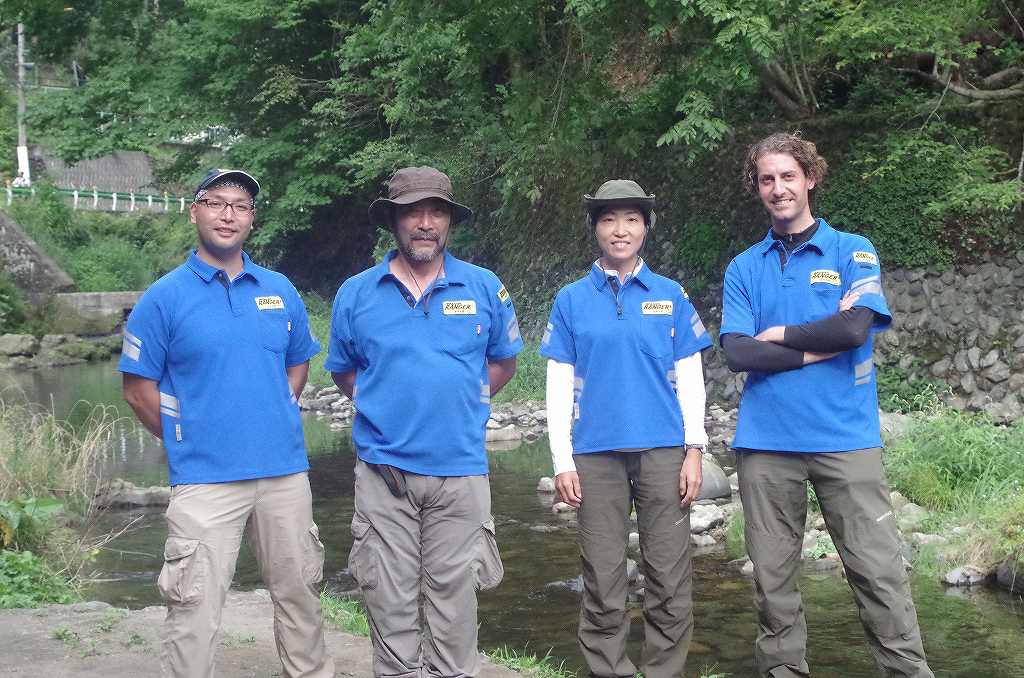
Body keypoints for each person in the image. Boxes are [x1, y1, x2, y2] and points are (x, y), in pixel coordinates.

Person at [720, 132, 934, 678]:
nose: (778, 188)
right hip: (766, 444)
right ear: (757, 188)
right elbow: (739, 352)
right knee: (773, 584)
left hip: (846, 438)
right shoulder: (744, 266)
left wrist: (784, 335)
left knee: (879, 574)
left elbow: (856, 325)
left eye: (788, 176)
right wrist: (818, 349)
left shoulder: (851, 249)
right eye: (767, 179)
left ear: (810, 178)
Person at [119, 169, 335, 678]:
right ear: (194, 211)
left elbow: (298, 359)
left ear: (252, 220)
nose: (227, 214)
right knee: (193, 605)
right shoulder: (164, 298)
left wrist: (278, 405)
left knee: (300, 593)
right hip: (205, 479)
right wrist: (189, 437)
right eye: (215, 203)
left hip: (284, 474)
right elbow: (137, 388)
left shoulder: (280, 290)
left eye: (240, 206)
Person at [326, 166, 523, 678]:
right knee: (388, 604)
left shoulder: (483, 287)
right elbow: (344, 370)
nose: (425, 223)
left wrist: (462, 401)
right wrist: (384, 408)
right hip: (382, 474)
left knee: (456, 608)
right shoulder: (357, 293)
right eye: (413, 211)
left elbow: (503, 361)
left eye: (436, 211)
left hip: (461, 473)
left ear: (449, 222)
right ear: (393, 220)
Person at [540, 179, 712, 678]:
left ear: (646, 227)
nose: (621, 230)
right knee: (602, 575)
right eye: (609, 219)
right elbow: (557, 385)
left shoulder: (669, 295)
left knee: (668, 575)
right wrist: (562, 461)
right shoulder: (571, 300)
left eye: (632, 219)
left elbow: (691, 379)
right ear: (595, 227)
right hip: (595, 456)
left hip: (664, 452)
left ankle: (663, 671)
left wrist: (695, 450)